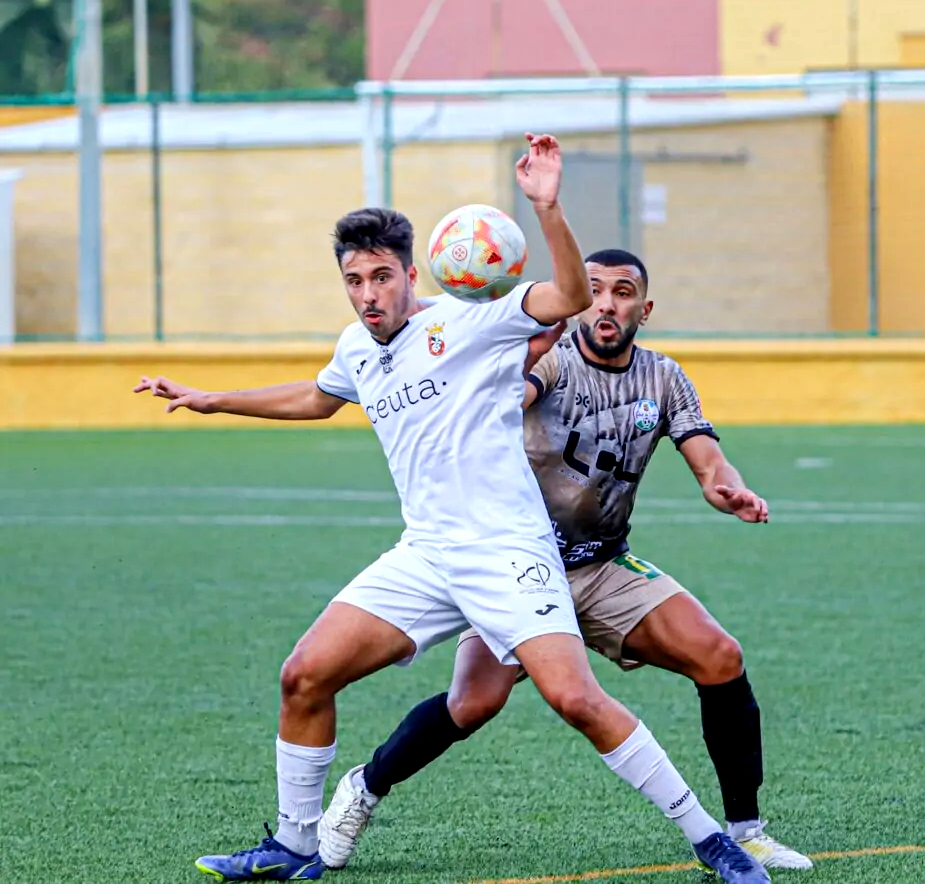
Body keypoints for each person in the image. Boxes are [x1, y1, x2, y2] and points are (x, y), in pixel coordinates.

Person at [134, 135, 770, 884]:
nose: (368, 294)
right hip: (427, 552)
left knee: (575, 698)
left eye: (381, 276)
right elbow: (316, 396)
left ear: (413, 272)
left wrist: (546, 207)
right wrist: (212, 399)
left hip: (508, 549)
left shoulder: (473, 323)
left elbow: (566, 296)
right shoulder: (357, 348)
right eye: (354, 280)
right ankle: (295, 845)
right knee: (304, 674)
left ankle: (711, 839)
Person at [319, 249, 812, 873]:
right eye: (596, 290)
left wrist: (724, 487)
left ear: (644, 308)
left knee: (720, 656)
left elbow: (706, 455)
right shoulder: (550, 359)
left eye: (623, 292)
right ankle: (364, 788)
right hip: (515, 566)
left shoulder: (663, 377)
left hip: (604, 565)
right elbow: (506, 392)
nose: (606, 304)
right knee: (473, 703)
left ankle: (745, 830)